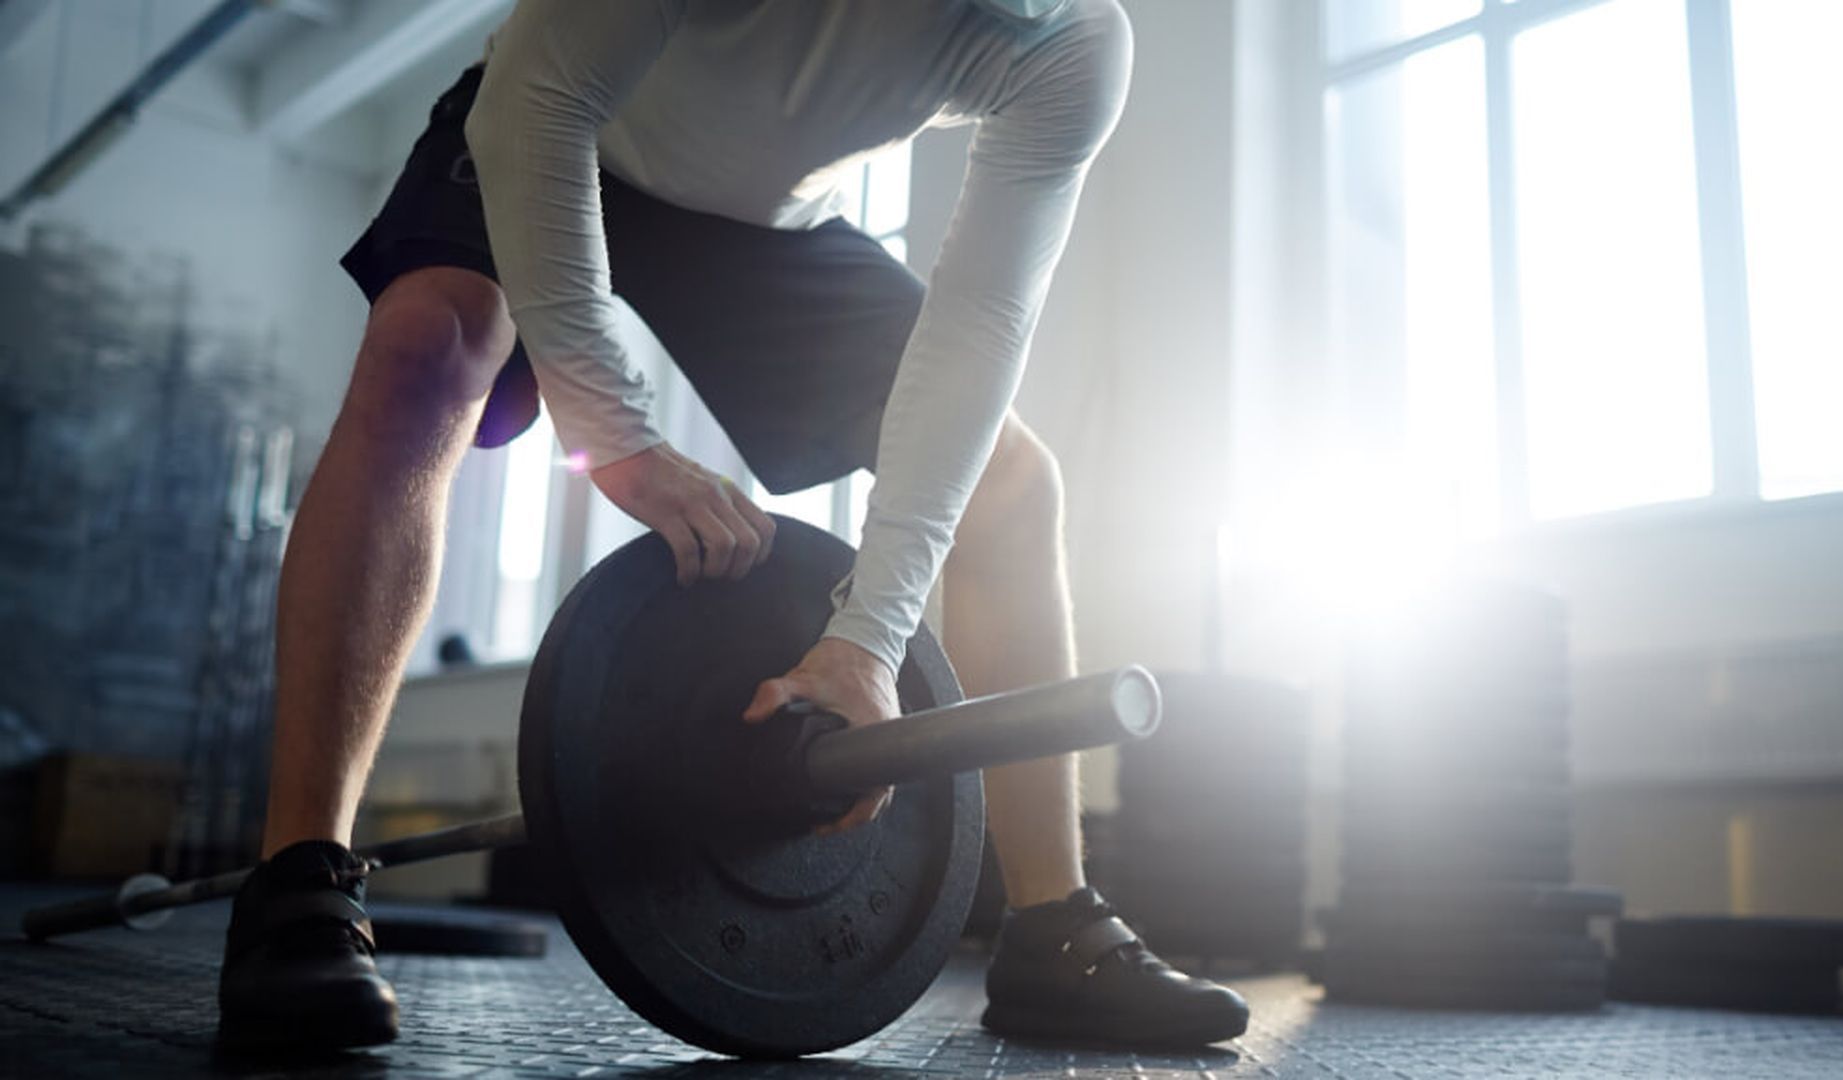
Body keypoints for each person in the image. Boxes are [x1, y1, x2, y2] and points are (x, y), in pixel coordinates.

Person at [217, 0, 1249, 1052]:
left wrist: (867, 643)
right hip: (564, 122)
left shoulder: (1072, 40)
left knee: (1011, 485)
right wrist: (613, 435)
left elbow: (979, 324)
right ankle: (300, 874)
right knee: (427, 350)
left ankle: (1051, 930)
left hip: (765, 226)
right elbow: (537, 95)